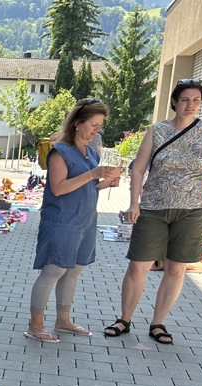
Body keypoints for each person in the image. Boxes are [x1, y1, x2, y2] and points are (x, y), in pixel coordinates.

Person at [106, 80, 202, 344]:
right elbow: (137, 168)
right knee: (139, 265)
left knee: (176, 268)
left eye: (196, 100)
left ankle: (158, 323)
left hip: (191, 210)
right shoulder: (157, 130)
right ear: (174, 101)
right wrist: (134, 203)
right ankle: (124, 319)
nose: (190, 105)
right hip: (153, 207)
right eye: (185, 99)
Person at [25, 98, 122, 343]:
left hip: (85, 220)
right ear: (77, 123)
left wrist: (106, 181)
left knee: (73, 272)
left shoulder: (90, 152)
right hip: (62, 221)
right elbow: (58, 189)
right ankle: (36, 325)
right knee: (53, 271)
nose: (96, 130)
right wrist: (93, 174)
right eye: (93, 124)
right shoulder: (60, 152)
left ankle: (63, 320)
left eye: (99, 125)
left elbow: (87, 185)